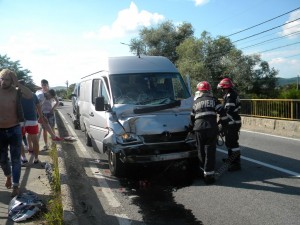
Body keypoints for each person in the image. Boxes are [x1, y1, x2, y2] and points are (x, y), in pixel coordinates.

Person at [0, 69, 33, 197]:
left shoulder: (16, 91)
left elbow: (29, 95)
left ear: (12, 81)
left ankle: (15, 186)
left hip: (14, 130)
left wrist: (18, 84)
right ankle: (8, 176)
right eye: (1, 79)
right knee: (2, 160)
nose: (3, 82)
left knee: (16, 160)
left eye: (7, 79)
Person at [191, 81, 228, 184]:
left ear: (199, 91)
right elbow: (222, 111)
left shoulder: (195, 102)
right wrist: (224, 124)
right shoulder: (213, 100)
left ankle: (202, 172)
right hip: (211, 128)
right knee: (210, 151)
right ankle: (209, 176)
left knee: (200, 150)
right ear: (208, 90)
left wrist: (191, 128)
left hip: (198, 129)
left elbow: (192, 117)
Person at [217, 77, 242, 171]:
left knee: (233, 144)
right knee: (229, 142)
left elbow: (228, 111)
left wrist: (220, 123)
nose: (221, 90)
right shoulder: (229, 95)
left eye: (222, 88)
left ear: (226, 87)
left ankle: (236, 164)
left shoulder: (231, 96)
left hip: (232, 123)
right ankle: (230, 159)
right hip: (231, 122)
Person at [36, 79, 63, 150]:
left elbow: (57, 102)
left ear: (47, 85)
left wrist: (52, 109)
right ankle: (46, 145)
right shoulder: (39, 93)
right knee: (44, 130)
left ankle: (53, 144)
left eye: (45, 85)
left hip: (50, 113)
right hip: (42, 113)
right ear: (41, 85)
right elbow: (38, 104)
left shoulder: (51, 92)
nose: (44, 86)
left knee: (52, 128)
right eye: (42, 85)